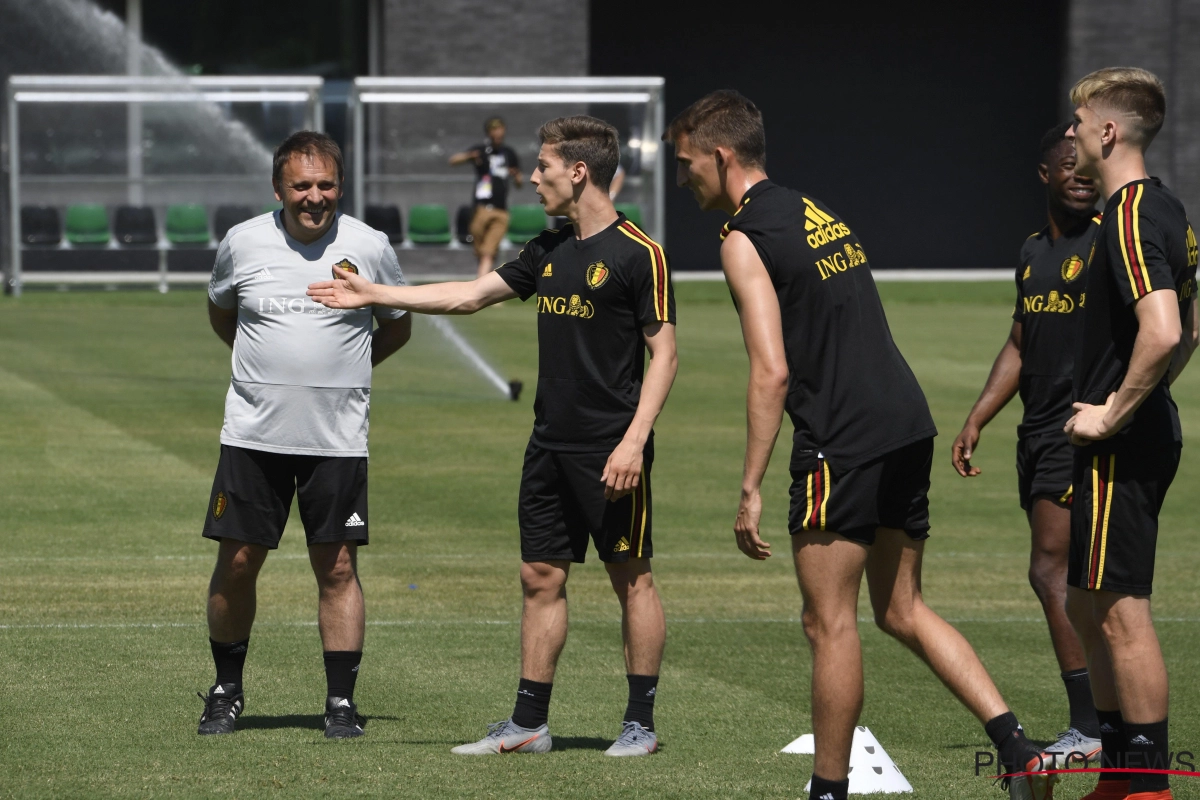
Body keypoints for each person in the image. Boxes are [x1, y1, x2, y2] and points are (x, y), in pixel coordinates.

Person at [663, 90, 1053, 800]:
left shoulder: (744, 239)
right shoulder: (813, 210)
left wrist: (749, 484)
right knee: (902, 609)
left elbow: (771, 370)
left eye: (686, 162)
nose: (681, 176)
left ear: (720, 157)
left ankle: (828, 790)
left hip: (842, 438)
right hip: (905, 422)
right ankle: (1018, 749)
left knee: (828, 622)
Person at [309, 115, 678, 758]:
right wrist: (374, 292)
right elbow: (469, 296)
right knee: (540, 576)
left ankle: (639, 725)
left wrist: (632, 441)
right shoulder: (549, 248)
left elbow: (665, 355)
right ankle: (529, 724)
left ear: (579, 171)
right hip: (548, 445)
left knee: (632, 579)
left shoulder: (639, 254)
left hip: (611, 449)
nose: (531, 177)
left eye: (542, 167)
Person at [199, 131, 412, 740]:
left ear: (340, 187)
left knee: (338, 568)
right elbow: (223, 314)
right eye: (301, 185)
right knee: (237, 563)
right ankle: (225, 690)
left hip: (337, 440)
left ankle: (341, 703)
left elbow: (395, 325)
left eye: (325, 185)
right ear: (278, 188)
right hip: (252, 435)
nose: (314, 197)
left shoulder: (369, 246)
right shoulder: (242, 242)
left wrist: (342, 372)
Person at [1061, 67, 1198, 800]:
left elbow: (1167, 328)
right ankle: (1120, 776)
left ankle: (1146, 786)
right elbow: (1192, 331)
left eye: (1079, 124)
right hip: (1124, 437)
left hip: (1120, 443)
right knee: (1087, 600)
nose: (1073, 136)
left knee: (1118, 609)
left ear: (1107, 131)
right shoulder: (1168, 208)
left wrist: (1116, 411)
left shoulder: (1129, 214)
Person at [951, 122, 1102, 765]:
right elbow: (1020, 341)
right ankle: (1109, 722)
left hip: (1079, 427)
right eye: (1067, 164)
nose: (1080, 173)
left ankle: (1091, 725)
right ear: (1045, 174)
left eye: (1088, 163)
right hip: (1036, 429)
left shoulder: (1109, 246)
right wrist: (978, 416)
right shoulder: (1033, 251)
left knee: (1051, 571)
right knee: (1071, 577)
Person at [449, 116, 524, 278]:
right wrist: (469, 156)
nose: (497, 133)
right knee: (481, 251)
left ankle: (481, 288)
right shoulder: (481, 150)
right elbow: (453, 160)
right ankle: (487, 284)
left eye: (500, 129)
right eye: (494, 130)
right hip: (481, 208)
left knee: (488, 252)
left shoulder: (509, 153)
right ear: (489, 132)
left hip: (500, 210)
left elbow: (519, 183)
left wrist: (516, 175)